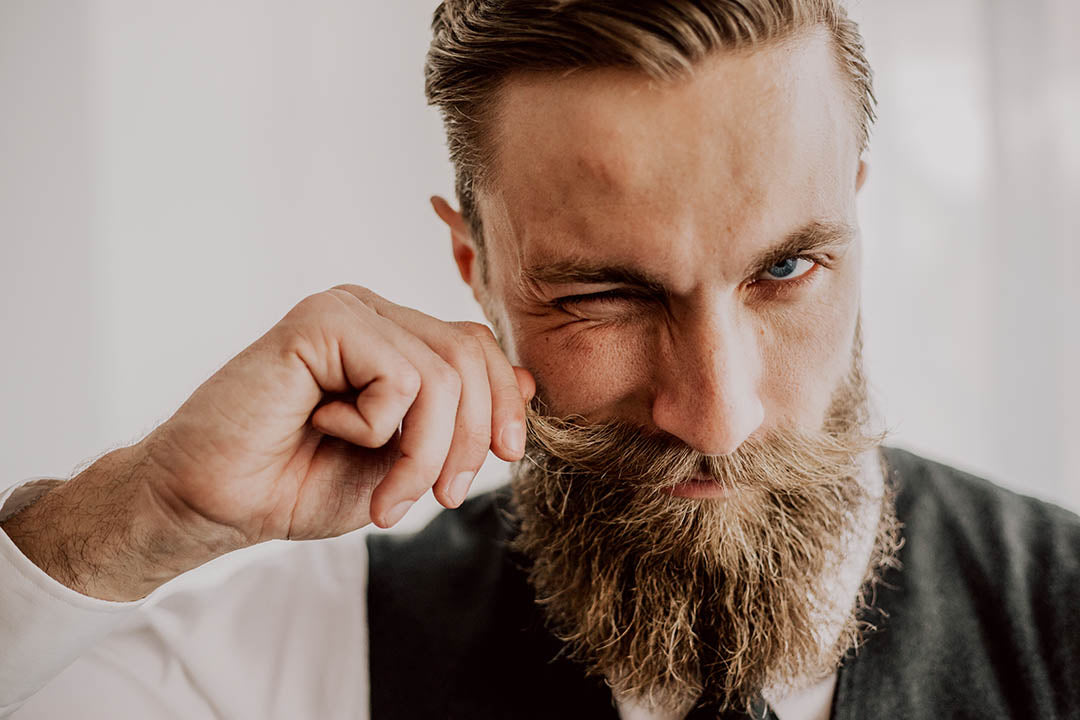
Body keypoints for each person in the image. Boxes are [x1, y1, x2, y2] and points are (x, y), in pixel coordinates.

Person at [1, 1, 1077, 718]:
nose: (718, 414)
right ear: (474, 265)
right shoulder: (301, 658)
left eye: (787, 267)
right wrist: (148, 512)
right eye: (606, 295)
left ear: (856, 215)